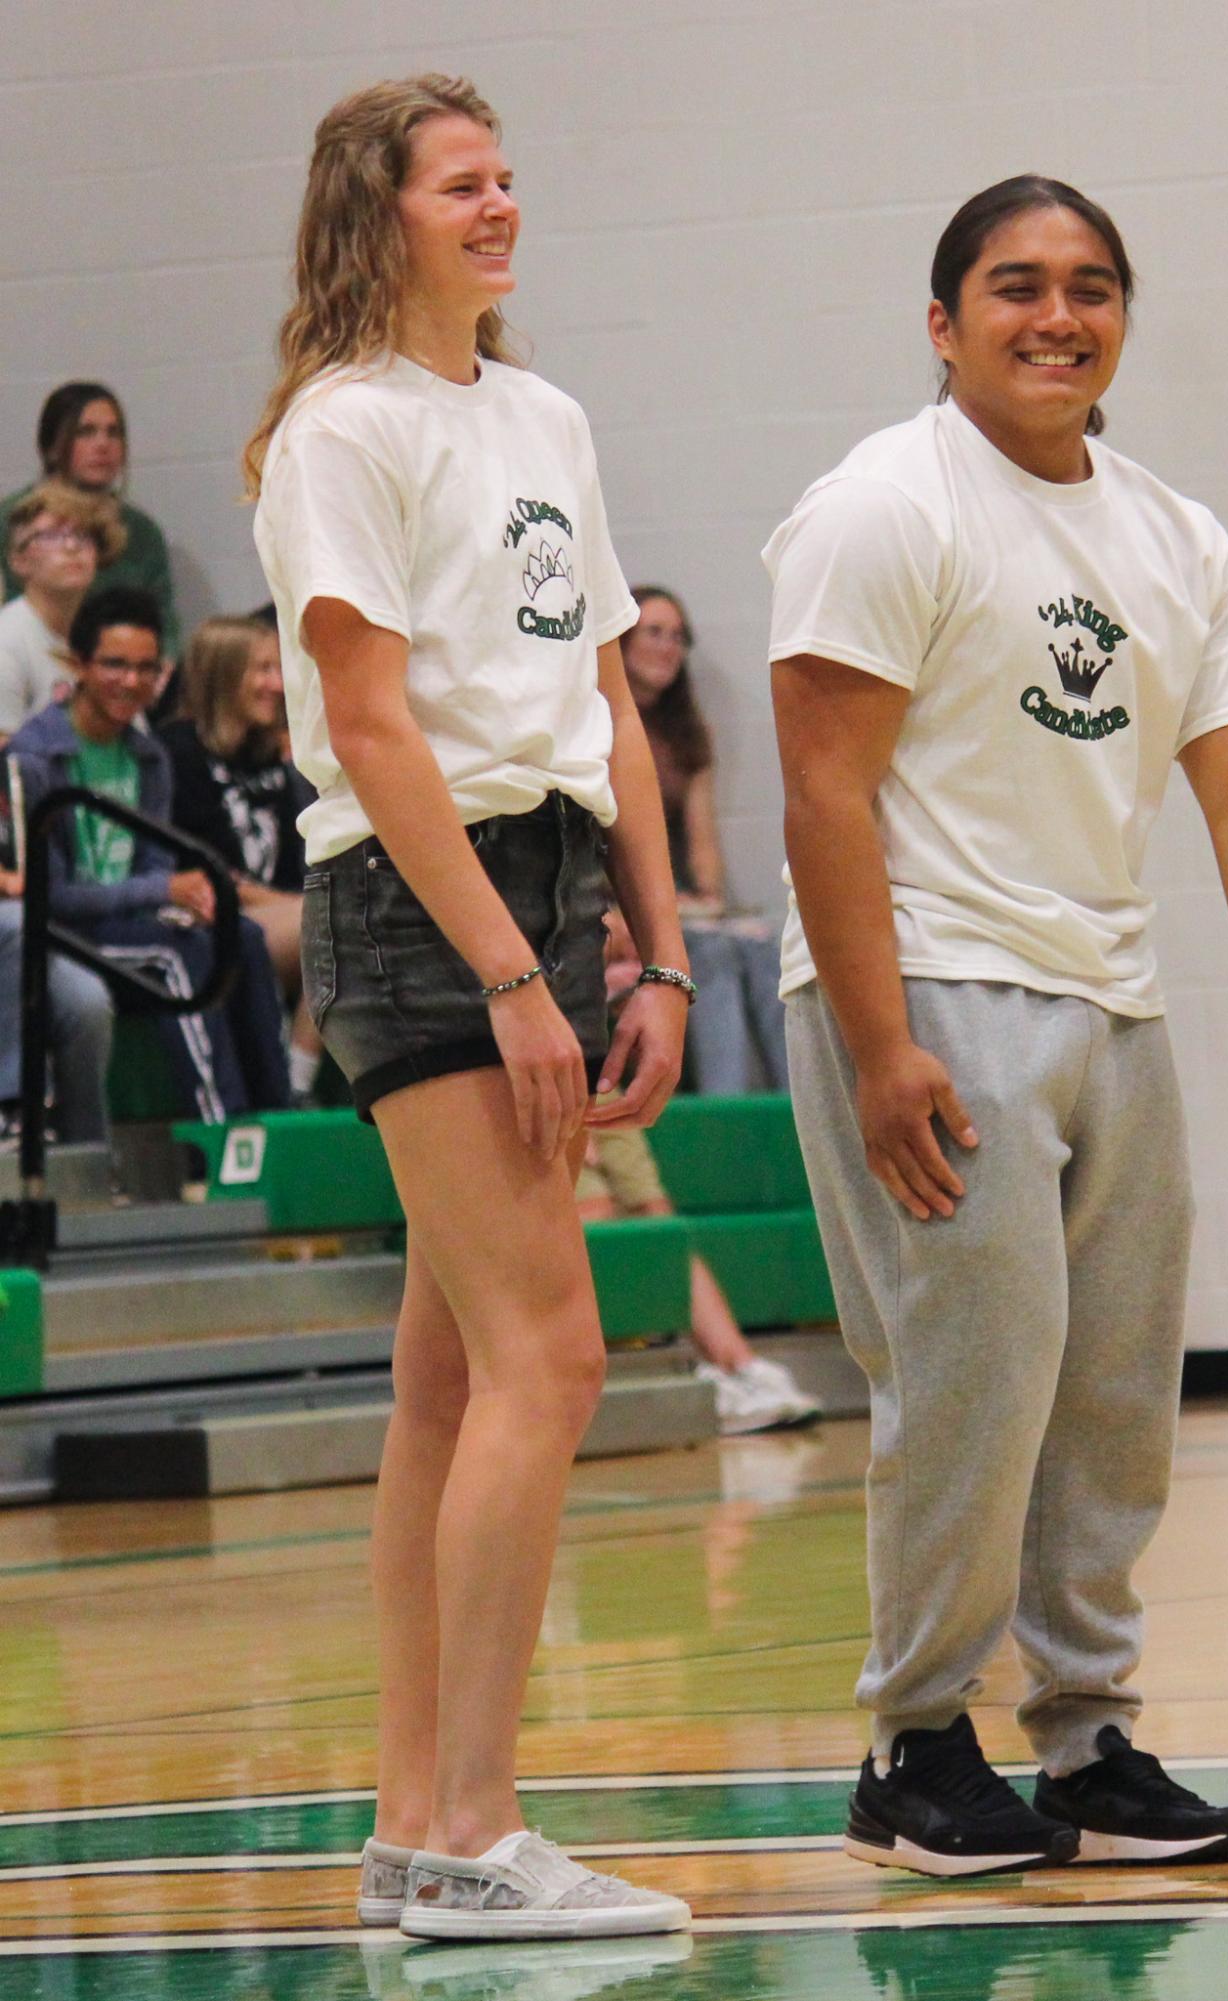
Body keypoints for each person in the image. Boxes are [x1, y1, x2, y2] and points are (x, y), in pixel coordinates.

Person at [766, 175, 1228, 1878]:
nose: (1057, 315)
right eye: (1014, 286)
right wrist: (880, 1046)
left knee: (1106, 1395)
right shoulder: (882, 505)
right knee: (970, 1379)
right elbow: (821, 794)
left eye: (1091, 285)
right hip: (932, 986)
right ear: (942, 325)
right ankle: (915, 1741)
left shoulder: (1177, 535)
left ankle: (1086, 1743)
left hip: (1115, 1004)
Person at [245, 75, 693, 1942]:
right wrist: (511, 978)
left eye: (510, 179)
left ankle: (415, 1821)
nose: (500, 209)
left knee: (449, 1386)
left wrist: (651, 954)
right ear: (381, 211)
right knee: (553, 1361)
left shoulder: (546, 416)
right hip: (417, 904)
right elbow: (371, 726)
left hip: (554, 885)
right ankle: (482, 1834)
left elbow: (609, 707)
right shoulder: (339, 434)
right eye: (462, 186)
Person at [10, 587, 290, 1124]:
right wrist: (161, 891)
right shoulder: (36, 757)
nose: (132, 682)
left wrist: (179, 897)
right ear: (78, 665)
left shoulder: (149, 755)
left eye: (145, 668)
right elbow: (51, 897)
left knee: (245, 937)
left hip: (129, 923)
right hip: (66, 934)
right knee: (175, 956)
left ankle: (278, 1122)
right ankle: (221, 1132)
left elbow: (152, 866)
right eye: (115, 665)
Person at [576, 906, 820, 1434]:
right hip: (522, 1072)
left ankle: (737, 1365)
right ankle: (656, 1371)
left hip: (592, 1068)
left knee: (658, 1219)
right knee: (594, 1208)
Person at [624, 586, 788, 1093]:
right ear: (621, 641)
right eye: (653, 632)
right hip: (615, 913)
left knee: (764, 945)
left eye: (678, 636)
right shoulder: (594, 730)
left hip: (677, 908)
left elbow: (703, 841)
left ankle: (792, 1113)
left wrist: (709, 898)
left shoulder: (688, 734)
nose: (668, 646)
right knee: (711, 956)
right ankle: (726, 1109)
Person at [162, 616, 323, 1103]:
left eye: (279, 668)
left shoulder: (272, 758)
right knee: (332, 918)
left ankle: (298, 1078)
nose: (277, 684)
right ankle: (290, 1090)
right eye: (262, 669)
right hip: (210, 919)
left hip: (282, 914)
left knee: (348, 921)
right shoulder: (177, 754)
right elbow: (205, 876)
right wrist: (295, 902)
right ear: (223, 672)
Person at [0, 383, 179, 653]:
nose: (102, 444)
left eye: (113, 432)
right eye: (85, 432)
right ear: (51, 446)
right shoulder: (14, 518)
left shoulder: (142, 531)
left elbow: (166, 628)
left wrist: (163, 667)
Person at [0, 755, 115, 1145]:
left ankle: (89, 1155)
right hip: (12, 923)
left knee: (87, 1002)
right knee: (18, 922)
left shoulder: (13, 767)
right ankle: (15, 1108)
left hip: (16, 928)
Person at [0, 481, 125, 741]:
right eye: (51, 536)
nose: (71, 547)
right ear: (19, 560)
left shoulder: (104, 636)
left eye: (82, 535)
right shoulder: (7, 640)